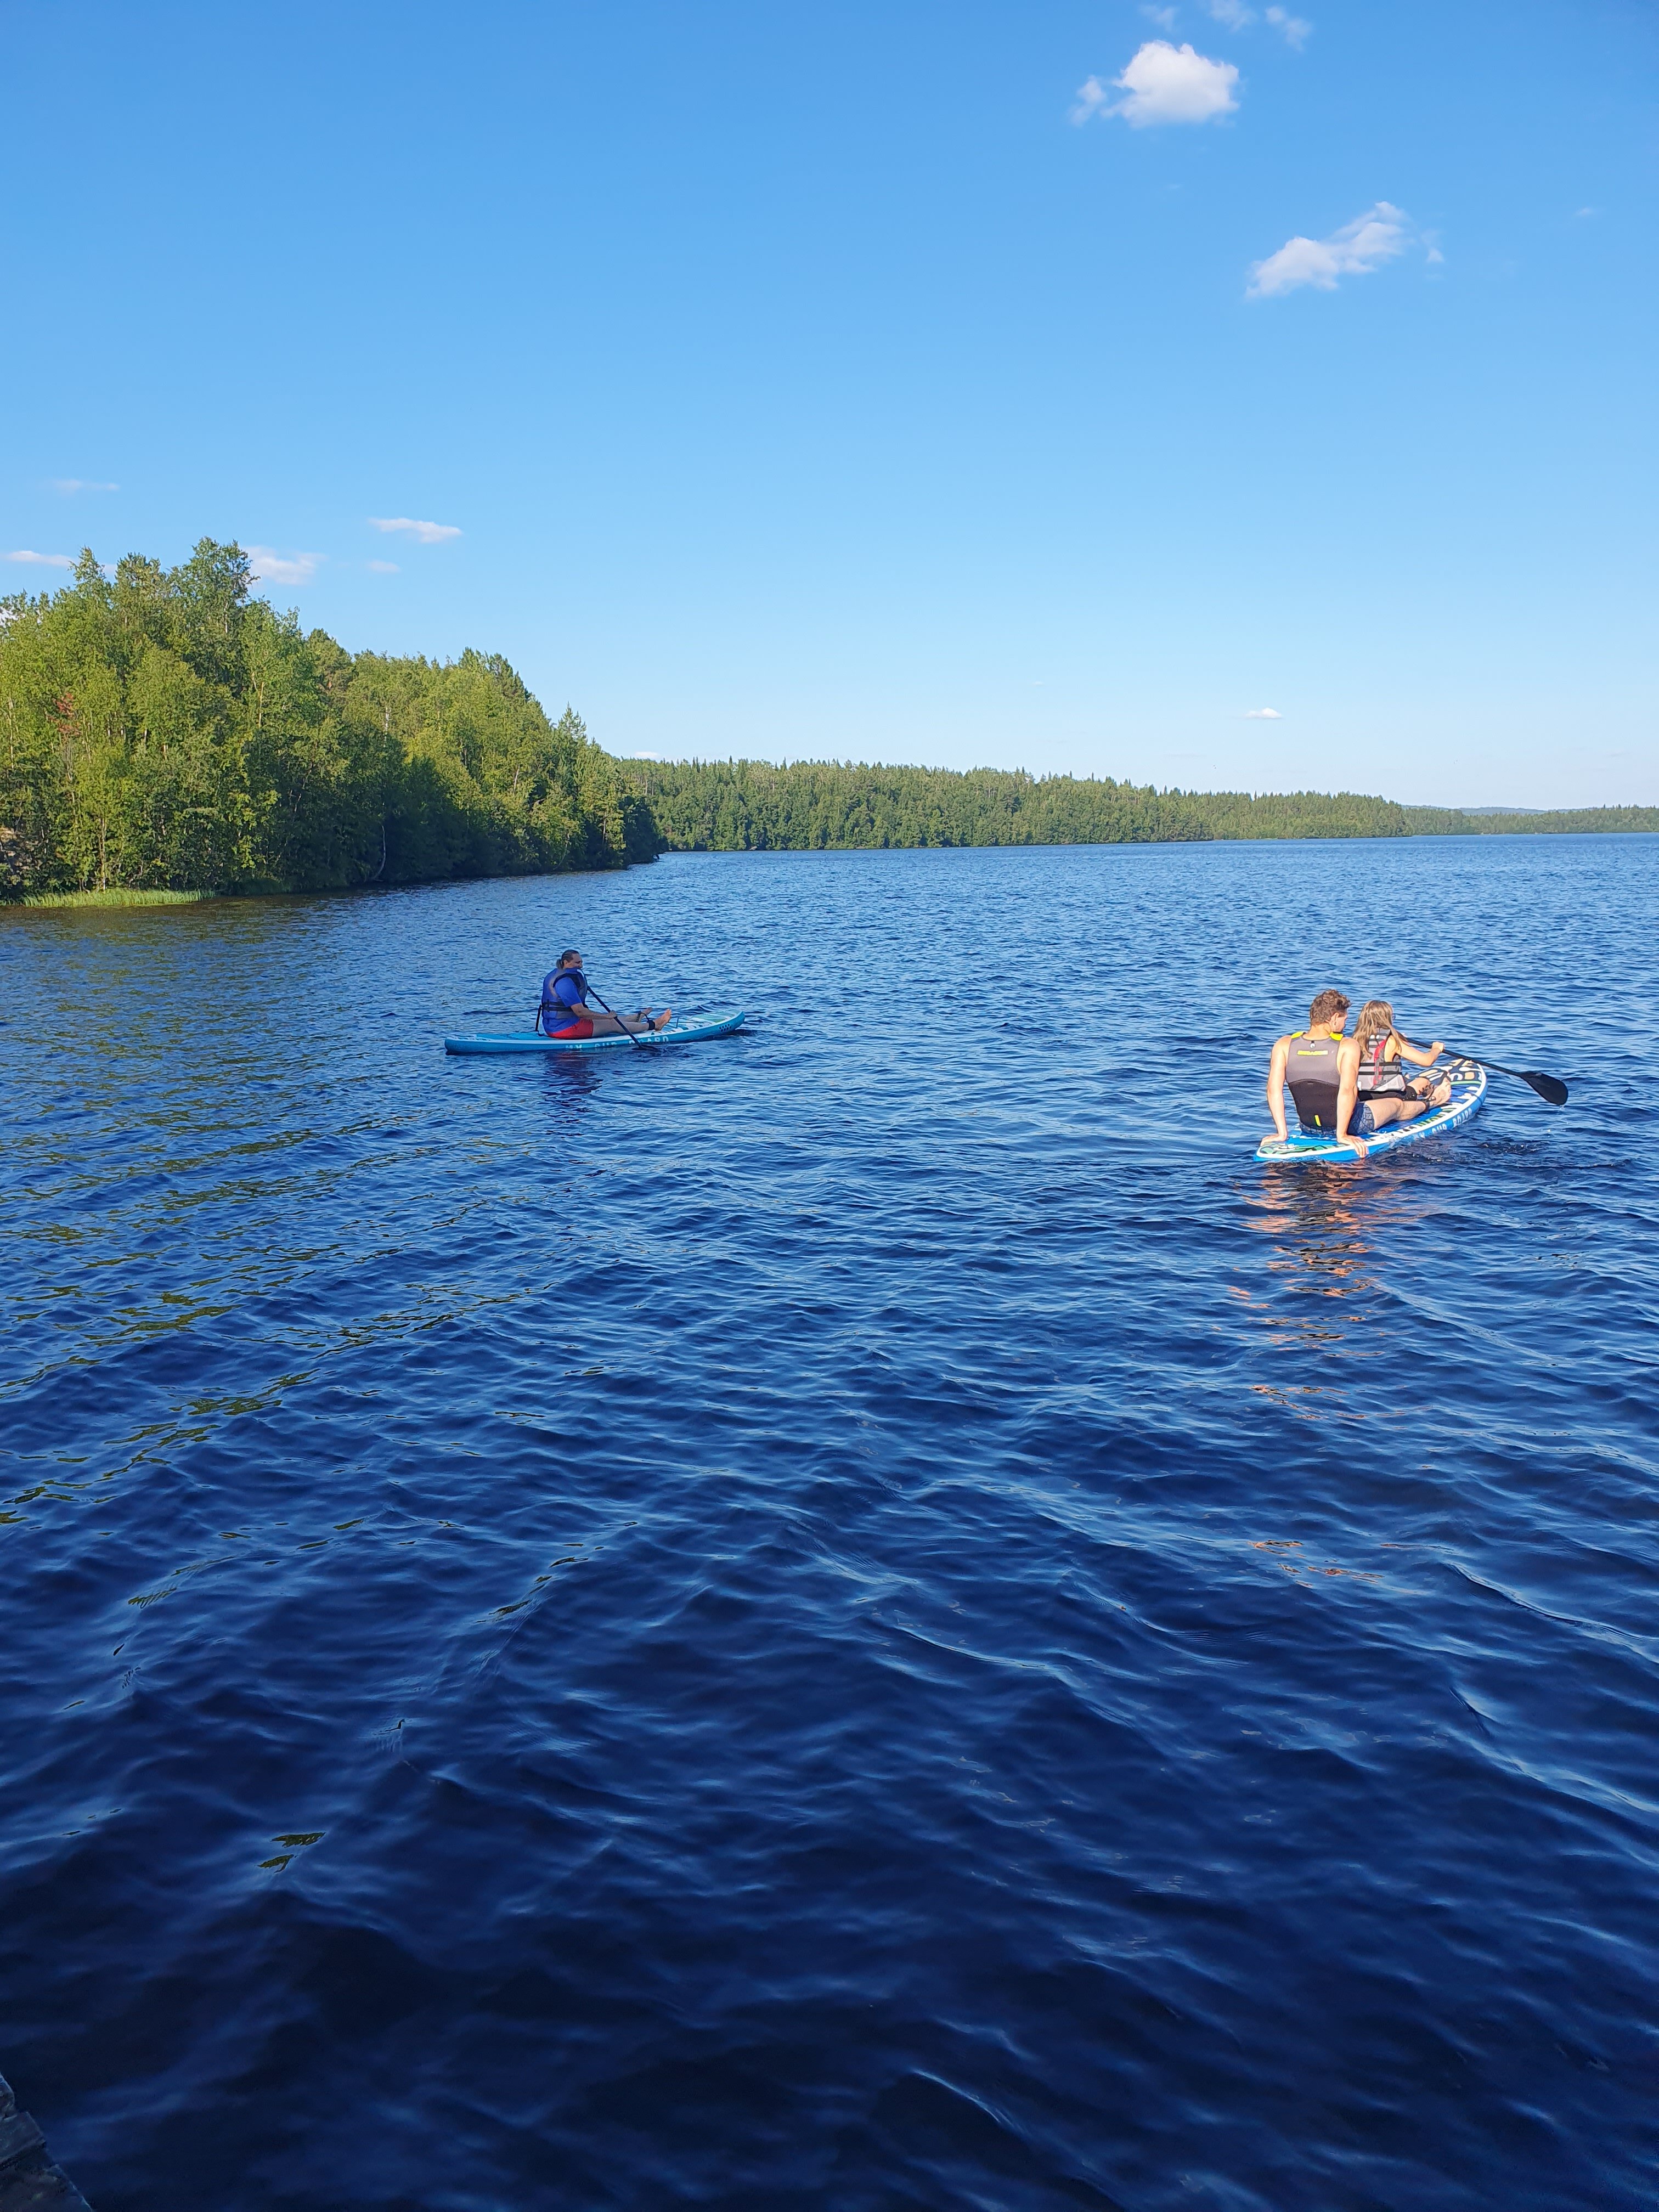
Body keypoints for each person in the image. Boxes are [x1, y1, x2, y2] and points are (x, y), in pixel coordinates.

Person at [1265, 988, 1378, 1154]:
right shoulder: (1348, 1045)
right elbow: (1348, 1090)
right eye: (1344, 1019)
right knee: (1397, 1106)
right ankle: (1428, 1103)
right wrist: (1342, 1135)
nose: (1345, 1024)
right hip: (1351, 1125)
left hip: (1308, 1127)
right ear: (1334, 1018)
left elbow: (1273, 1090)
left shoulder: (1283, 1044)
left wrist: (1282, 1133)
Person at [1351, 1000, 1451, 1130]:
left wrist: (1400, 1040)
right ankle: (1435, 1097)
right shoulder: (1392, 1041)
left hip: (1362, 1096)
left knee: (1407, 1081)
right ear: (1386, 1018)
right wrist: (1436, 1049)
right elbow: (1427, 1061)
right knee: (1422, 1081)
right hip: (1391, 1096)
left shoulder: (1354, 1040)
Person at [539, 950, 672, 1039]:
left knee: (606, 1018)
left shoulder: (556, 975)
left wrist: (606, 1017)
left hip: (555, 1026)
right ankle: (654, 1025)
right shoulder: (566, 982)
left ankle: (634, 1018)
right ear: (566, 963)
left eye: (581, 962)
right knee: (611, 1023)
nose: (581, 966)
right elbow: (580, 1012)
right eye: (577, 963)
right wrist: (606, 1016)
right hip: (564, 1029)